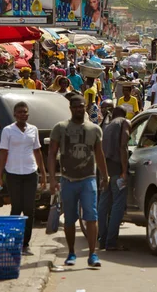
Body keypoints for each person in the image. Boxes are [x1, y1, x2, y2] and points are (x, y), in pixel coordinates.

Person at [48, 95, 108, 268]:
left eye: (81, 106)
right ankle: (71, 252)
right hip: (68, 179)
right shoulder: (60, 128)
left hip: (88, 179)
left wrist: (105, 176)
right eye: (75, 107)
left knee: (91, 217)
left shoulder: (94, 129)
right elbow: (52, 154)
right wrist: (52, 179)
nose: (78, 109)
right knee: (69, 219)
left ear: (85, 107)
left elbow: (99, 154)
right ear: (70, 108)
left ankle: (92, 254)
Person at [0, 102, 47, 256]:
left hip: (31, 173)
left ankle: (25, 244)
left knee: (29, 209)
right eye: (19, 112)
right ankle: (14, 242)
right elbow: (3, 153)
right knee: (16, 208)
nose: (23, 114)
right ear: (15, 114)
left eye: (25, 112)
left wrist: (43, 173)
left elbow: (37, 152)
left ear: (28, 114)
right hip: (13, 173)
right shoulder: (8, 131)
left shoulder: (33, 130)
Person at [98, 107, 130, 251]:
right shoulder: (125, 122)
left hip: (106, 169)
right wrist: (124, 170)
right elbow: (123, 146)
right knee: (118, 204)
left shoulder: (107, 126)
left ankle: (102, 239)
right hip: (117, 169)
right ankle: (111, 242)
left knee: (104, 204)